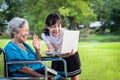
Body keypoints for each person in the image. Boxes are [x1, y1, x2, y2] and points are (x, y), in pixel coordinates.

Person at [41, 13, 82, 80]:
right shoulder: (45, 35)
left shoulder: (66, 33)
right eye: (53, 26)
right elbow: (53, 52)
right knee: (58, 76)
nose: (56, 29)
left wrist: (56, 53)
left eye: (59, 26)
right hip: (59, 54)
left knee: (74, 76)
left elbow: (60, 50)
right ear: (47, 27)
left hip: (70, 53)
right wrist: (49, 52)